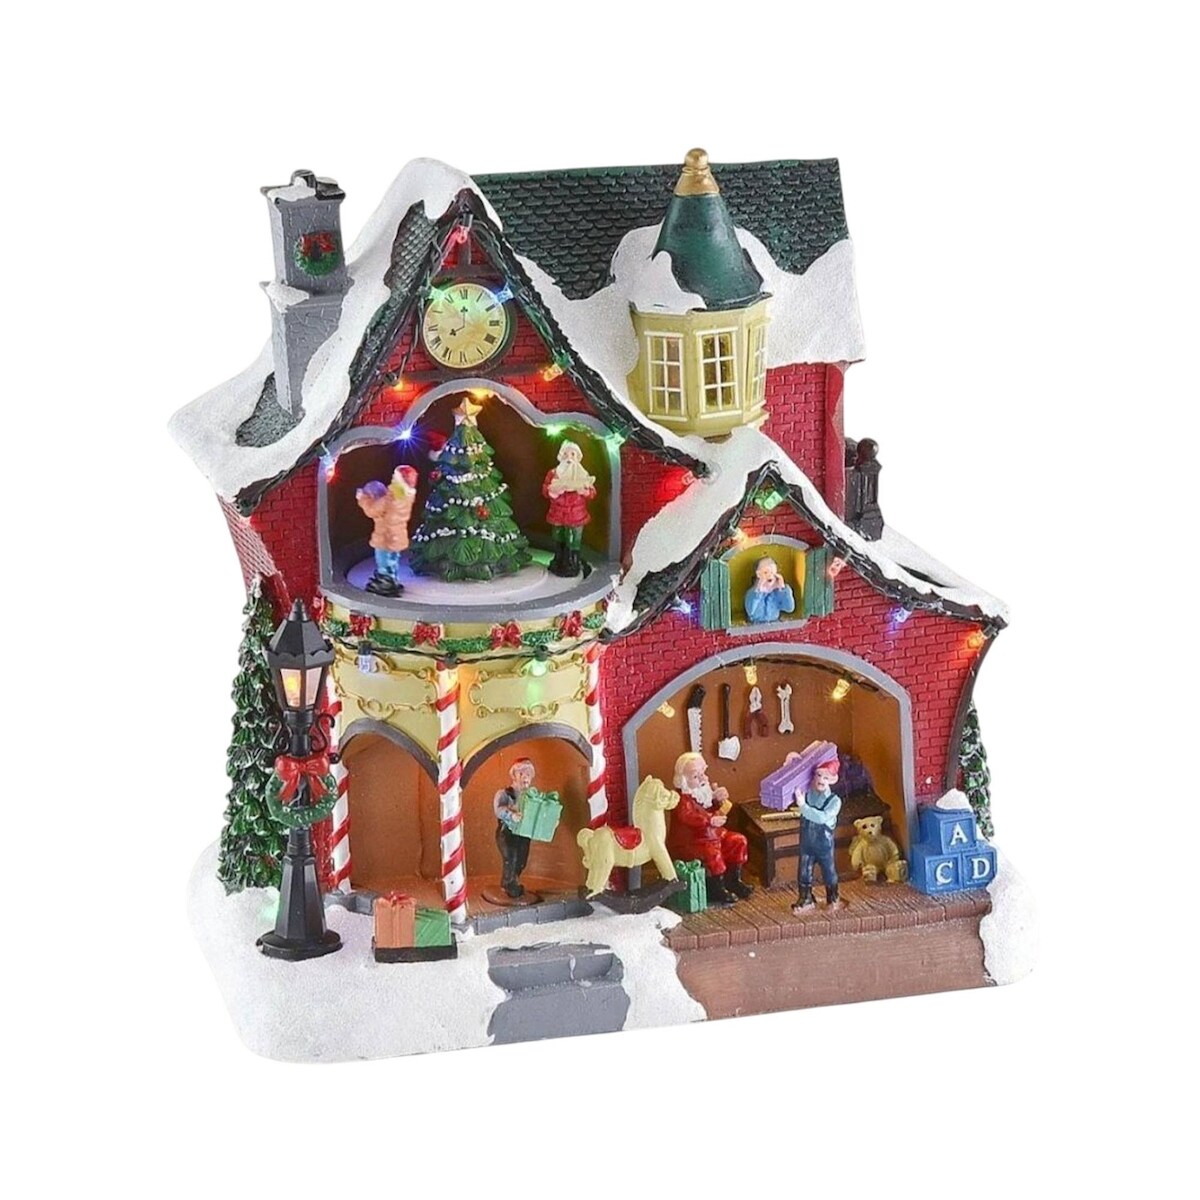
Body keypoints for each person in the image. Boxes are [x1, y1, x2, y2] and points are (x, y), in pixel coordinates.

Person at [666, 751, 753, 905]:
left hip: (713, 835)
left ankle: (733, 880)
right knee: (712, 853)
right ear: (683, 780)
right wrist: (710, 820)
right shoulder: (682, 799)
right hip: (692, 842)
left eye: (703, 773)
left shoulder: (703, 792)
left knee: (738, 841)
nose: (702, 779)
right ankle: (716, 888)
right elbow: (688, 817)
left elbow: (711, 808)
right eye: (695, 776)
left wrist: (718, 800)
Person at [355, 465, 418, 596]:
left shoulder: (391, 498)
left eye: (395, 478)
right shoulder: (406, 497)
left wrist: (363, 498)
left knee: (383, 559)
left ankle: (385, 581)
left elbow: (372, 510)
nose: (392, 480)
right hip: (398, 535)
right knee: (393, 559)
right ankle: (392, 578)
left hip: (385, 536)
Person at [792, 755, 842, 912]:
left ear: (832, 780)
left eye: (825, 777)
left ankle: (833, 898)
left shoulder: (834, 801)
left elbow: (821, 818)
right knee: (804, 873)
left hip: (824, 845)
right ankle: (806, 899)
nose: (821, 780)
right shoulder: (807, 794)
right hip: (807, 843)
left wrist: (803, 806)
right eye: (819, 775)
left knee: (829, 871)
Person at [543, 440, 596, 578]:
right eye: (566, 454)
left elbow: (592, 492)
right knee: (558, 535)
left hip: (576, 515)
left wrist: (584, 491)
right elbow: (546, 489)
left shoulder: (582, 474)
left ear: (577, 457)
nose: (569, 457)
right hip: (558, 513)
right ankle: (559, 559)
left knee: (573, 539)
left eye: (572, 454)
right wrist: (554, 491)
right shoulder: (554, 473)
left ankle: (572, 562)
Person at [493, 758, 536, 899]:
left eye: (528, 774)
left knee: (521, 860)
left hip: (523, 834)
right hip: (507, 833)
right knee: (511, 858)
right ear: (514, 775)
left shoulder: (532, 798)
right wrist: (511, 815)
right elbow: (498, 810)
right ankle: (508, 884)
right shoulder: (505, 793)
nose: (525, 777)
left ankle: (513, 881)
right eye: (521, 773)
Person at [744, 556, 797, 623]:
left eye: (773, 572)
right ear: (758, 574)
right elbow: (750, 611)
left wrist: (783, 589)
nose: (770, 575)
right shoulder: (752, 593)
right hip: (756, 625)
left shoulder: (777, 592)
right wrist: (758, 590)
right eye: (766, 572)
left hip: (774, 624)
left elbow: (789, 608)